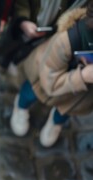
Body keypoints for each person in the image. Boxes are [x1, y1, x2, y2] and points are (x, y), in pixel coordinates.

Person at [10, 1, 93, 147]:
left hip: (79, 97)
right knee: (31, 92)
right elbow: (50, 83)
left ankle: (55, 122)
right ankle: (21, 106)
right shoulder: (70, 37)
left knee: (67, 109)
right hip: (47, 76)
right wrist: (83, 77)